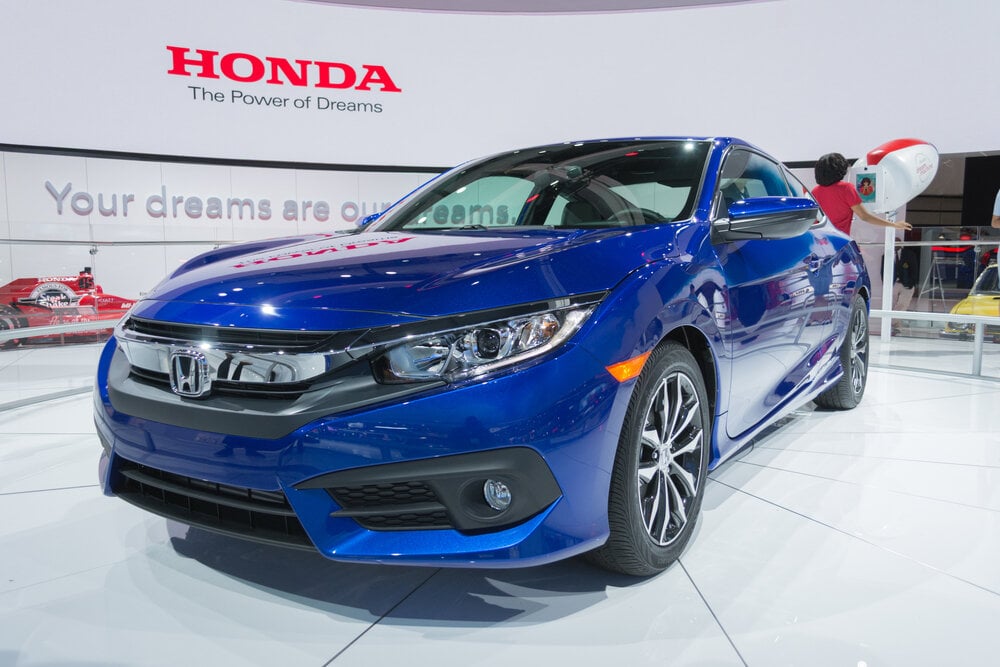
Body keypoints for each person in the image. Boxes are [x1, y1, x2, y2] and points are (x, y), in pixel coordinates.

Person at [811, 152, 912, 236]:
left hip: (819, 240)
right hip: (839, 241)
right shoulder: (846, 188)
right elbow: (864, 216)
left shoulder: (814, 191)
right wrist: (894, 225)